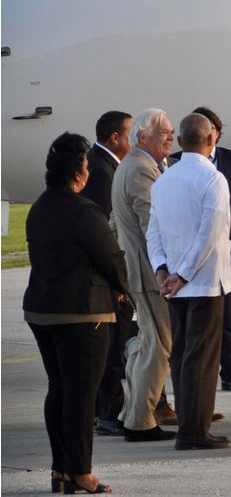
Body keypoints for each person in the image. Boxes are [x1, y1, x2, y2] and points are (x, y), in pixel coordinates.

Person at [24, 132, 128, 494]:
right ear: (78, 174)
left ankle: (61, 470)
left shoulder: (39, 207)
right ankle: (81, 471)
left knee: (59, 390)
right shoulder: (84, 210)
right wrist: (125, 288)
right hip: (82, 314)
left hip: (42, 309)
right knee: (82, 396)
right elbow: (112, 257)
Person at [148, 113, 231, 450]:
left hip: (174, 284)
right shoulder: (213, 180)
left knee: (183, 355)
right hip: (202, 283)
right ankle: (194, 431)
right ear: (211, 140)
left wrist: (162, 270)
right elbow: (210, 235)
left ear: (181, 141)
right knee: (201, 360)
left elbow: (152, 231)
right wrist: (183, 274)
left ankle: (190, 424)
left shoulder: (163, 181)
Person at [170, 106, 231, 393]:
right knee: (191, 322)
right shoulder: (175, 163)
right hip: (189, 252)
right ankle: (193, 379)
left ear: (216, 134)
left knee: (227, 314)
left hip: (228, 248)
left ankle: (230, 371)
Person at [112, 108, 177, 442]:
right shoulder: (140, 170)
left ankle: (131, 413)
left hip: (138, 269)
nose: (171, 135)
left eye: (172, 129)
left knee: (147, 343)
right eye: (164, 131)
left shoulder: (135, 166)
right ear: (142, 137)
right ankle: (140, 421)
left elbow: (113, 224)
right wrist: (168, 270)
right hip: (150, 273)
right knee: (159, 345)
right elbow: (153, 226)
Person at [81, 111, 135, 437]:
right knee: (114, 346)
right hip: (107, 276)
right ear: (115, 138)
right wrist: (115, 280)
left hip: (106, 273)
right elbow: (101, 228)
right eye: (130, 134)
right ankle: (109, 412)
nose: (133, 139)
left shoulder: (104, 164)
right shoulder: (103, 170)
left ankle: (106, 409)